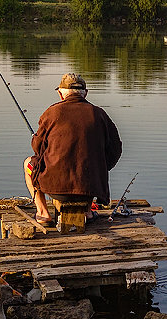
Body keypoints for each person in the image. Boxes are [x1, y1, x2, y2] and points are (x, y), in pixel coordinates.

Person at [23, 73, 122, 227]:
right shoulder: (99, 114)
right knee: (90, 163)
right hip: (90, 187)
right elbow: (115, 150)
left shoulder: (51, 113)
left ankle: (43, 213)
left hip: (54, 186)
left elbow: (38, 150)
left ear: (61, 94)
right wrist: (100, 167)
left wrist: (36, 139)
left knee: (28, 163)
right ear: (85, 93)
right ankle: (87, 212)